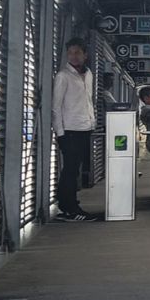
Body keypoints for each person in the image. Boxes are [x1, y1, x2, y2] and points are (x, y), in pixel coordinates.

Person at [52, 37, 98, 222]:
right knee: (70, 170)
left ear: (85, 55)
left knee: (75, 169)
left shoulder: (89, 75)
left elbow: (88, 102)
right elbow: (56, 106)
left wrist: (92, 123)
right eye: (70, 53)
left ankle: (70, 205)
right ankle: (69, 208)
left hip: (85, 128)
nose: (74, 56)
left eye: (77, 52)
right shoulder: (63, 76)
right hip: (69, 130)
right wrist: (60, 133)